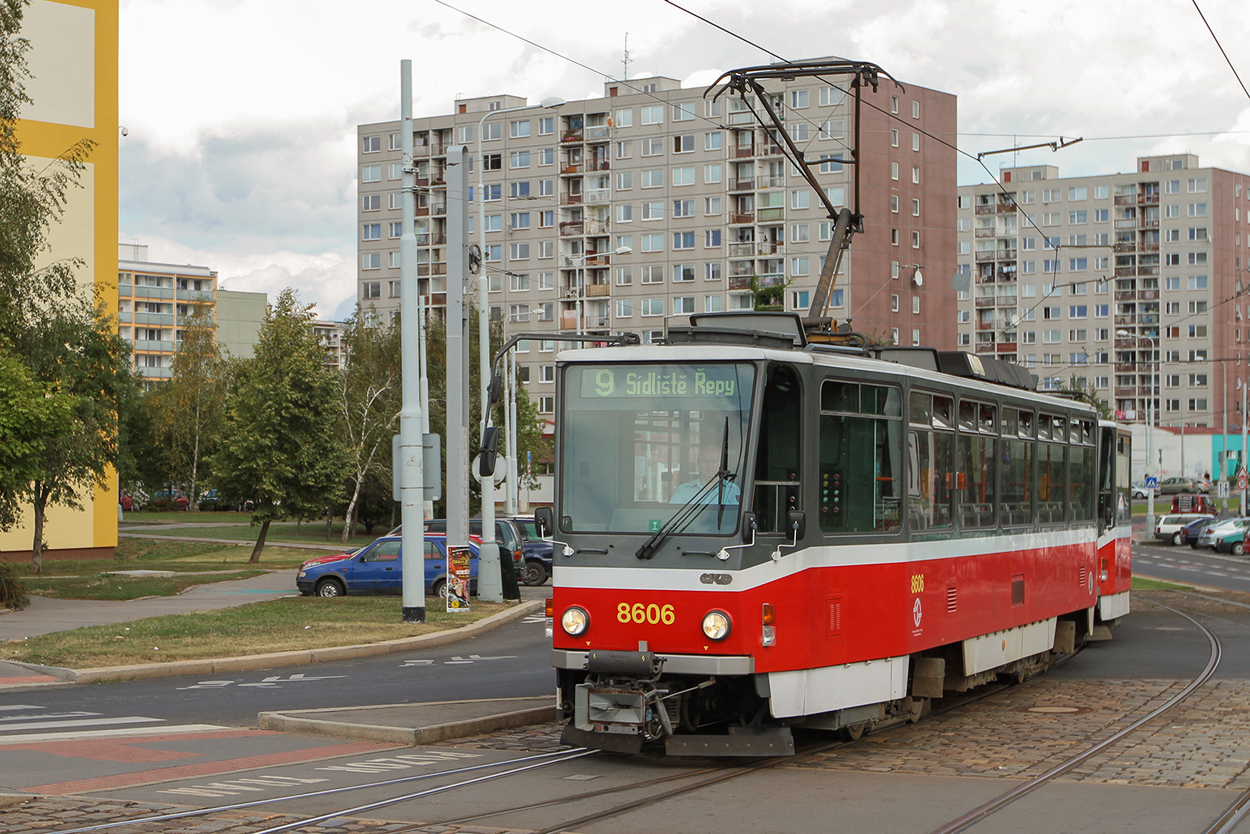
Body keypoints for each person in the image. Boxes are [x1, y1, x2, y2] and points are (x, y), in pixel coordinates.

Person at [670, 444, 741, 505]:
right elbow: (672, 515)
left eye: (714, 461)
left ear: (721, 463)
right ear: (698, 462)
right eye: (705, 461)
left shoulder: (732, 490)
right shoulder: (683, 491)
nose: (709, 466)